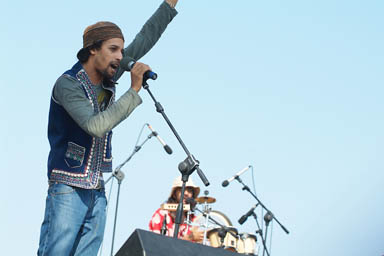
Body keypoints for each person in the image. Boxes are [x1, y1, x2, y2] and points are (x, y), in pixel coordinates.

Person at [37, 1, 180, 255]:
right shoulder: (68, 85)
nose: (120, 56)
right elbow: (96, 125)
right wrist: (134, 90)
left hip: (97, 191)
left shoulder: (109, 78)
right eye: (113, 49)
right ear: (93, 50)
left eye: (121, 51)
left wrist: (169, 5)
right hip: (68, 189)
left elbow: (145, 37)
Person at [149, 176, 205, 243]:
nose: (186, 193)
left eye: (189, 191)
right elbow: (155, 243)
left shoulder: (194, 220)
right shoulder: (162, 214)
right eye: (182, 190)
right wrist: (190, 238)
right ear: (174, 194)